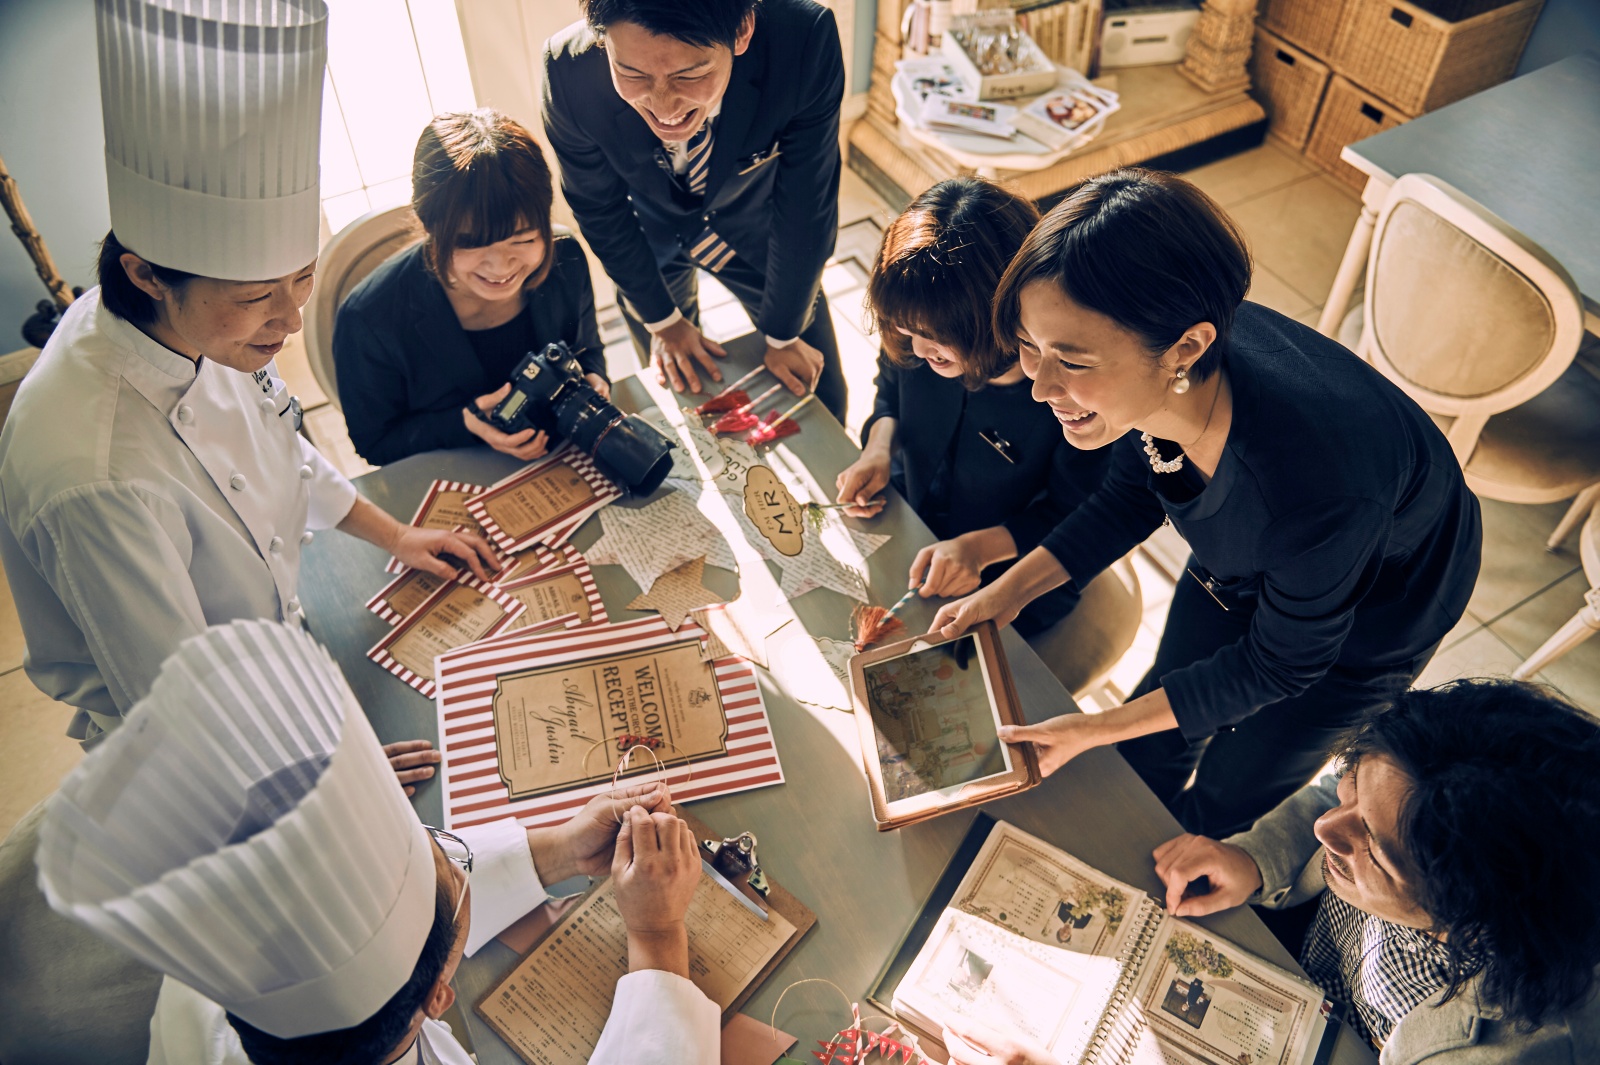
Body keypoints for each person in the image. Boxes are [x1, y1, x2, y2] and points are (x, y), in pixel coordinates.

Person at [0, 0, 494, 746]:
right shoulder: (95, 476)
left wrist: (396, 535)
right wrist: (335, 783)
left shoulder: (203, 333)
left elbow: (280, 446)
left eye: (301, 279)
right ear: (146, 274)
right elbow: (177, 705)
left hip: (279, 650)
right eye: (257, 297)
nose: (291, 320)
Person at [932, 169, 1481, 838]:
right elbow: (1128, 499)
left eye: (1071, 362)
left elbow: (1279, 661)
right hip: (1268, 543)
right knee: (1150, 732)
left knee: (1231, 787)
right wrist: (1006, 593)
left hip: (1378, 604)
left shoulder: (1307, 492)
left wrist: (1092, 727)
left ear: (1188, 347)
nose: (1041, 386)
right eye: (1029, 346)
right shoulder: (1160, 366)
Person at [36, 619, 720, 1065]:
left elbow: (396, 914)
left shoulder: (219, 981)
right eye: (448, 871)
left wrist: (564, 848)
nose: (451, 855)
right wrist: (658, 937)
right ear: (438, 999)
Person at [943, 679, 1600, 1065]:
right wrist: (1255, 859)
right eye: (1351, 790)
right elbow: (1337, 801)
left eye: (1367, 846)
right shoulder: (1435, 784)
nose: (1326, 831)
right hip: (1280, 970)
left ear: (1467, 910)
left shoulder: (1513, 1043)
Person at [542, 0, 849, 421]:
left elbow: (807, 201)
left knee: (822, 396)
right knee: (685, 402)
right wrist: (662, 320)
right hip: (648, 241)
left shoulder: (803, 39)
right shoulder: (567, 68)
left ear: (742, 31)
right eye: (632, 73)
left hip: (760, 233)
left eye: (691, 74)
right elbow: (597, 205)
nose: (665, 109)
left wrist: (782, 334)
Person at [834, 177, 1107, 637]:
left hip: (1009, 578)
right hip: (911, 520)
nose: (918, 350)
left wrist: (979, 551)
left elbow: (1081, 517)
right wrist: (879, 450)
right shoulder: (915, 335)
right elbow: (890, 388)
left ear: (999, 312)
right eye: (905, 330)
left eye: (936, 337)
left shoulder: (1072, 399)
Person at [335, 109, 611, 467]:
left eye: (523, 239)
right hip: (456, 474)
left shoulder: (566, 258)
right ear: (427, 223)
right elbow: (375, 442)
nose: (501, 267)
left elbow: (586, 348)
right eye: (471, 244)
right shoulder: (369, 317)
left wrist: (595, 378)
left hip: (564, 459)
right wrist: (463, 424)